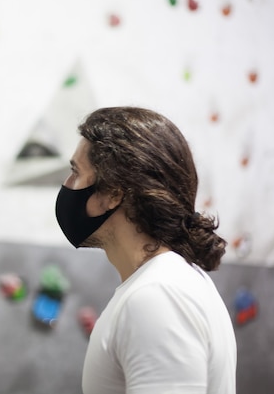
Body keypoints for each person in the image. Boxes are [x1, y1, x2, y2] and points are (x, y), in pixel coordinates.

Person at [54, 107, 237, 394]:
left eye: (76, 172)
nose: (67, 185)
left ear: (114, 194)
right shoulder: (163, 284)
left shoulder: (157, 296)